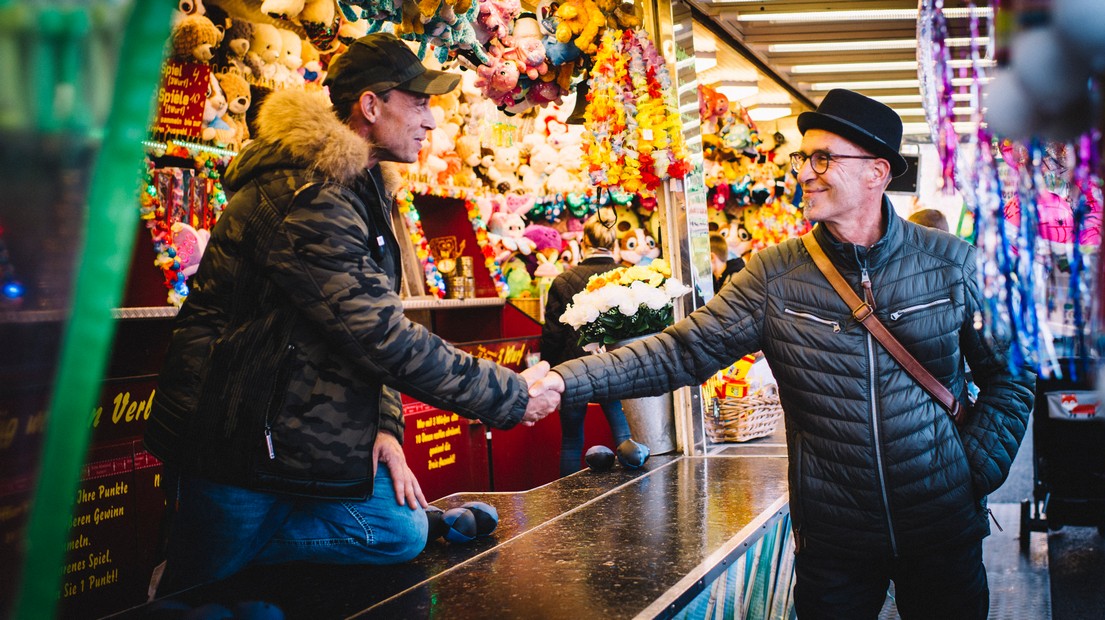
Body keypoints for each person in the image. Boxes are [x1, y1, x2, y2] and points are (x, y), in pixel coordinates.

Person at [534, 89, 1034, 619]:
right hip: (835, 541)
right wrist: (567, 380)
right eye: (803, 157)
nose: (806, 173)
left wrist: (973, 469)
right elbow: (683, 351)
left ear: (877, 172)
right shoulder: (775, 276)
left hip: (942, 528)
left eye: (824, 158)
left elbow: (1012, 374)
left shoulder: (952, 264)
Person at [144, 33, 559, 593]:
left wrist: (384, 426)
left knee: (398, 531)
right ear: (371, 106)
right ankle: (191, 567)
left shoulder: (359, 188)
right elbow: (379, 335)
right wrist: (508, 396)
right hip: (236, 433)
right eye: (419, 103)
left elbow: (363, 326)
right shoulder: (308, 192)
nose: (432, 121)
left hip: (305, 433)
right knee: (197, 592)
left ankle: (233, 560)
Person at [540, 215, 632, 476]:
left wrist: (551, 371)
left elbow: (552, 333)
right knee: (624, 435)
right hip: (615, 366)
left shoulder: (562, 281)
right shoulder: (624, 276)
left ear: (583, 242)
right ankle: (638, 488)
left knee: (571, 441)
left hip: (572, 370)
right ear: (612, 243)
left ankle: (568, 498)